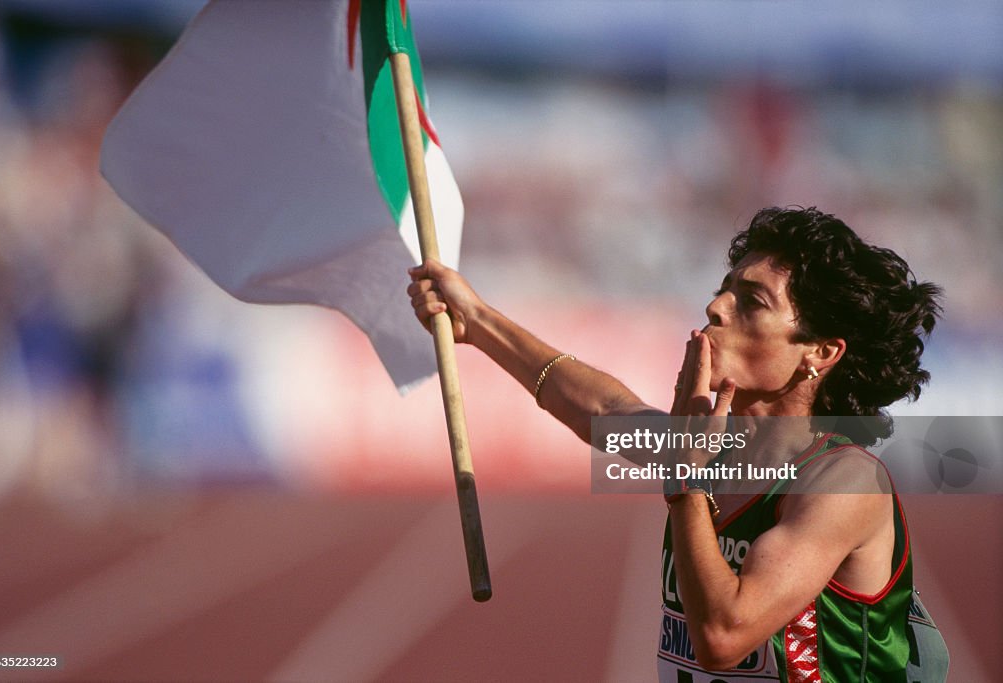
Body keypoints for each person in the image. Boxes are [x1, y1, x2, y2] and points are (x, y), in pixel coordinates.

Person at [406, 206, 949, 682]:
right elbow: (602, 410)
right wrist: (475, 320)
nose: (716, 307)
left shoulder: (843, 481)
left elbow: (721, 636)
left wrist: (689, 478)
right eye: (725, 288)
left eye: (751, 301)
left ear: (820, 353)